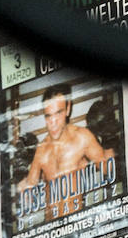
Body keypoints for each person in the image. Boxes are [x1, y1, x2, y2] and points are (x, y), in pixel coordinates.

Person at [18, 84, 113, 218]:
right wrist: (22, 184)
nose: (54, 122)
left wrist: (108, 141)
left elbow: (109, 169)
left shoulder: (82, 138)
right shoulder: (41, 150)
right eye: (48, 116)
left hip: (75, 224)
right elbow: (28, 192)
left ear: (68, 109)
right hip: (51, 226)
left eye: (59, 113)